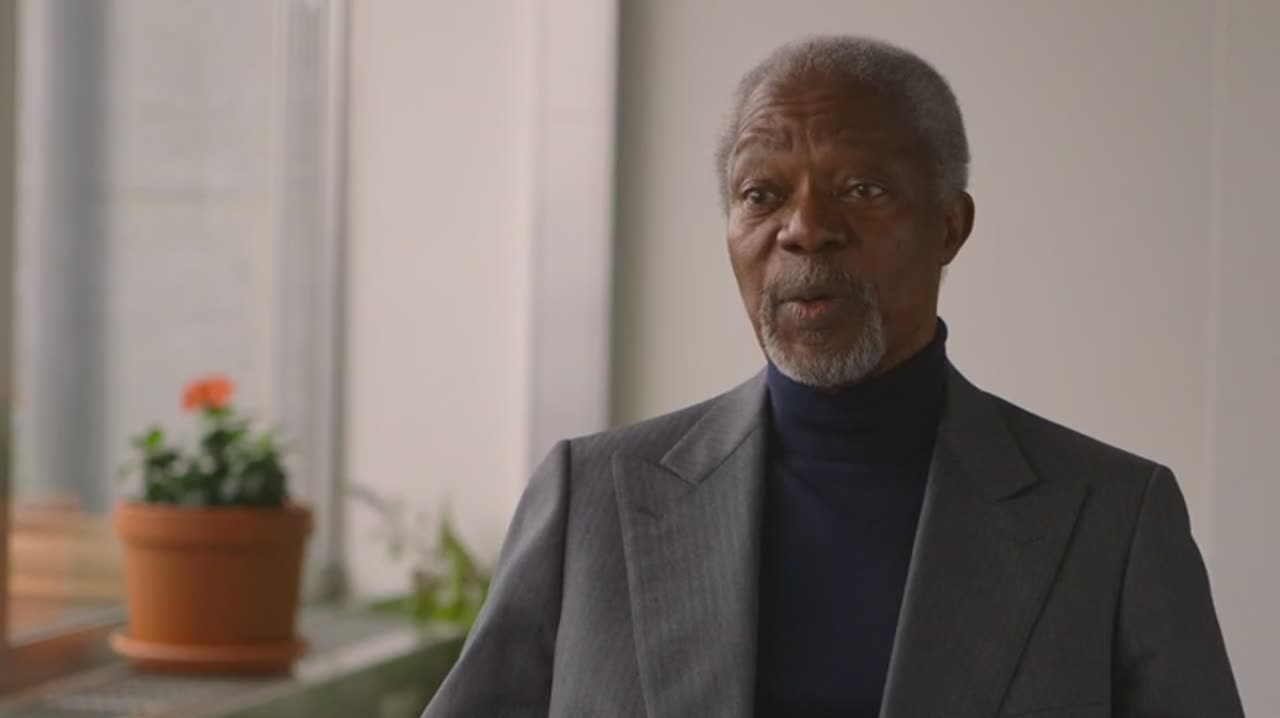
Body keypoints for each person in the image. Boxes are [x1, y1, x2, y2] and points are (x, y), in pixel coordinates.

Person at [423, 35, 1243, 718]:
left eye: (863, 188)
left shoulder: (1110, 519)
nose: (806, 229)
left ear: (950, 225)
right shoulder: (592, 499)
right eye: (761, 193)